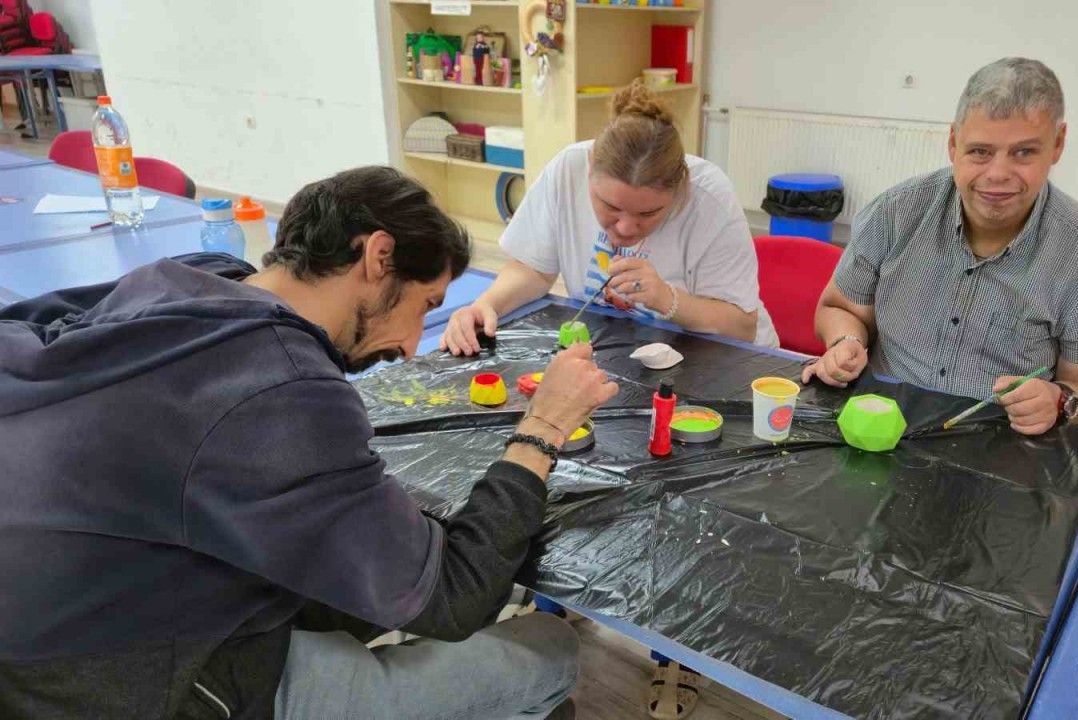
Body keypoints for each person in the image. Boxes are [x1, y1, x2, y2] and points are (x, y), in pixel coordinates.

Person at [0, 166, 619, 719]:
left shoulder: (185, 279)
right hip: (142, 686)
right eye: (425, 305)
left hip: (58, 641)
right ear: (378, 256)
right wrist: (544, 426)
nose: (412, 345)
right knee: (550, 649)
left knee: (376, 585)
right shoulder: (282, 385)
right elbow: (455, 598)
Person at [804, 57, 1078, 434]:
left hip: (999, 444)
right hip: (882, 424)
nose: (997, 174)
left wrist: (1059, 399)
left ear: (1058, 144)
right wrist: (846, 341)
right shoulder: (894, 214)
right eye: (980, 151)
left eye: (1024, 152)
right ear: (954, 144)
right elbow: (839, 308)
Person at [441, 81, 779, 354]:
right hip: (620, 348)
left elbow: (742, 327)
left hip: (723, 360)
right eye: (610, 207)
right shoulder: (568, 168)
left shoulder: (709, 200)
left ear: (680, 187)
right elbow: (534, 269)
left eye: (649, 213)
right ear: (590, 167)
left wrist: (667, 298)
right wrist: (486, 305)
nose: (626, 227)